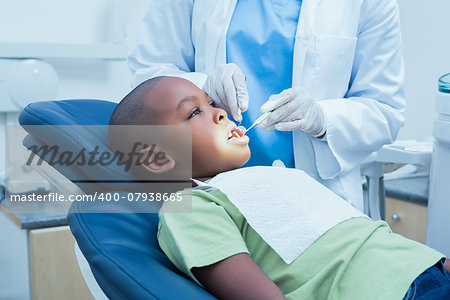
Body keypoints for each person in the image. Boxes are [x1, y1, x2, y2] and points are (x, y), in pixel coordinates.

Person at [108, 76, 449, 300]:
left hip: (428, 268)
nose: (220, 113)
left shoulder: (272, 179)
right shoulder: (193, 206)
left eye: (212, 103)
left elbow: (364, 239)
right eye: (195, 111)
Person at [127, 0, 406, 211]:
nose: (218, 115)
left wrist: (323, 119)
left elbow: (384, 110)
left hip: (321, 200)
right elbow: (149, 76)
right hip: (217, 197)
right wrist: (203, 87)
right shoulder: (199, 226)